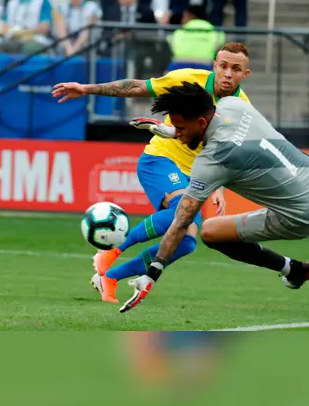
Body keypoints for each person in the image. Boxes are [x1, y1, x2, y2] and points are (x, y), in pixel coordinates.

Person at [118, 83, 309, 313]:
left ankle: (292, 269)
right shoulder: (233, 105)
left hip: (303, 213)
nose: (178, 133)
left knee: (210, 231)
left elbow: (180, 222)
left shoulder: (212, 161)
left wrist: (154, 272)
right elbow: (219, 128)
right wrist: (172, 131)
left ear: (199, 122)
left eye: (180, 128)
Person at [51, 43, 254, 302]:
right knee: (182, 210)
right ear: (214, 65)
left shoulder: (242, 111)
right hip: (160, 160)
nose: (228, 73)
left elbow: (225, 152)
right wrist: (86, 89)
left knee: (185, 243)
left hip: (194, 176)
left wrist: (220, 188)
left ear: (245, 75)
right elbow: (137, 86)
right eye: (223, 66)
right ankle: (112, 251)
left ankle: (109, 277)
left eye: (235, 69)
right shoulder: (189, 79)